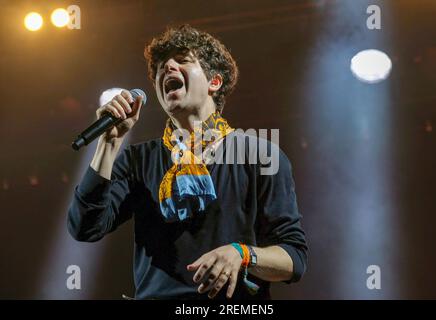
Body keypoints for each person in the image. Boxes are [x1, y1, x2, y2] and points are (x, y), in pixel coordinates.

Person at [67, 24, 308, 300]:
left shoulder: (259, 154)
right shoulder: (139, 159)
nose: (166, 67)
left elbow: (294, 259)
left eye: (182, 60)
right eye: (160, 67)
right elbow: (84, 227)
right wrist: (108, 144)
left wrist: (242, 254)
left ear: (214, 82)